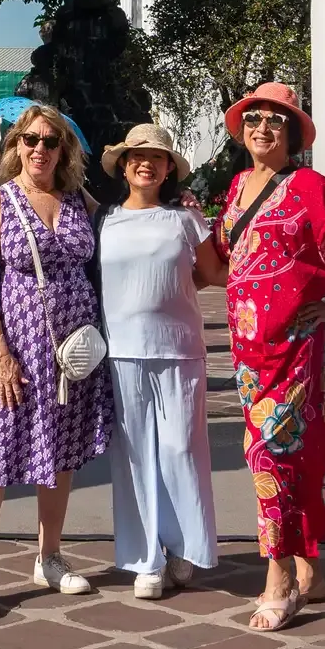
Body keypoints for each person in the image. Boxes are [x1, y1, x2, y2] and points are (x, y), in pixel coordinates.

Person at [218, 82, 325, 631]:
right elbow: (224, 258)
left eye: (275, 121)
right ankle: (313, 569)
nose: (263, 128)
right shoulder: (238, 185)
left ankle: (279, 577)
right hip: (246, 354)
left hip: (292, 348)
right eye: (255, 119)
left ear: (290, 133)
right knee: (297, 452)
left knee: (271, 455)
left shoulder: (309, 185)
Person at [0, 103, 113, 618]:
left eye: (51, 141)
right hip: (16, 349)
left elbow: (118, 227)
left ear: (64, 149)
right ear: (14, 145)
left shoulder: (76, 202)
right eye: (31, 140)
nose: (40, 149)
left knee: (60, 454)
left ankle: (49, 555)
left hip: (70, 354)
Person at [98, 123, 226, 598]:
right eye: (136, 156)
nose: (145, 163)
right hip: (121, 353)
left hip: (179, 348)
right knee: (134, 457)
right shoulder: (103, 219)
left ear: (170, 167)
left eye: (156, 156)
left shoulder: (185, 220)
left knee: (181, 451)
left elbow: (214, 272)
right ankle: (146, 558)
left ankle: (182, 547)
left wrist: (171, 286)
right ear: (124, 166)